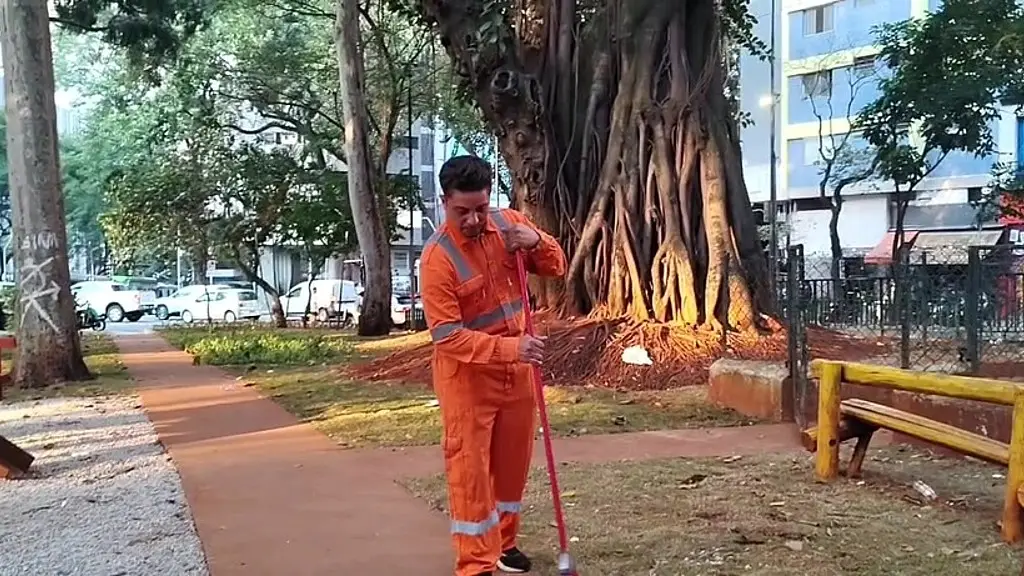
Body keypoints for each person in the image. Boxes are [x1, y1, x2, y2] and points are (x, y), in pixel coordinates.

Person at [420, 155, 567, 576]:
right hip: (468, 378)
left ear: (490, 199)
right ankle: (475, 563)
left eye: (480, 209)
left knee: (511, 464)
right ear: (444, 203)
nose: (472, 220)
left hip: (517, 373)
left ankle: (505, 543)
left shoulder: (509, 225)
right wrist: (510, 351)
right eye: (461, 212)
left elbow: (556, 267)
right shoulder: (436, 260)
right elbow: (447, 337)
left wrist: (537, 242)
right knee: (470, 472)